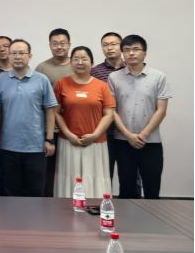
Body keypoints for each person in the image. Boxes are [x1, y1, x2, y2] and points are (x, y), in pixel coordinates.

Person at [0, 39, 57, 197]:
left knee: (35, 192)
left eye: (21, 53)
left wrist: (50, 139)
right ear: (9, 56)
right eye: (13, 53)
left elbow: (50, 110)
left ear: (30, 56)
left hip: (35, 147)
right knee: (9, 192)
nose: (17, 56)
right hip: (7, 147)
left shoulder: (42, 80)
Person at [108, 35, 172, 199]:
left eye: (136, 49)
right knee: (126, 189)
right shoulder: (114, 77)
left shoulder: (159, 77)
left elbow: (161, 110)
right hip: (123, 142)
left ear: (145, 53)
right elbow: (111, 110)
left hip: (151, 142)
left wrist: (143, 135)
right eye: (127, 50)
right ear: (122, 53)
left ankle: (151, 217)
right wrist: (128, 135)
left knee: (152, 189)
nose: (131, 53)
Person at [54, 46, 115, 198]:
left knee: (94, 178)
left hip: (96, 143)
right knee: (69, 178)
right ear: (71, 63)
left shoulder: (102, 86)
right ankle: (66, 210)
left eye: (84, 59)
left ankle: (94, 208)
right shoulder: (61, 83)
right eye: (76, 59)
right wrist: (68, 134)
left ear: (92, 63)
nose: (80, 62)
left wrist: (95, 135)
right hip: (69, 141)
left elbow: (109, 114)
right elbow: (55, 112)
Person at [35, 28, 73, 197]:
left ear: (69, 45)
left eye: (63, 43)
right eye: (55, 43)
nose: (59, 47)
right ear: (50, 45)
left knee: (69, 172)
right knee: (48, 173)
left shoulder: (78, 65)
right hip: (49, 129)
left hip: (73, 129)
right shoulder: (42, 68)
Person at [91, 32, 127, 184]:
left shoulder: (130, 68)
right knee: (105, 175)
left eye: (113, 44)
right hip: (105, 132)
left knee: (130, 176)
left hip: (128, 131)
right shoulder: (95, 72)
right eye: (105, 45)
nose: (109, 48)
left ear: (121, 46)